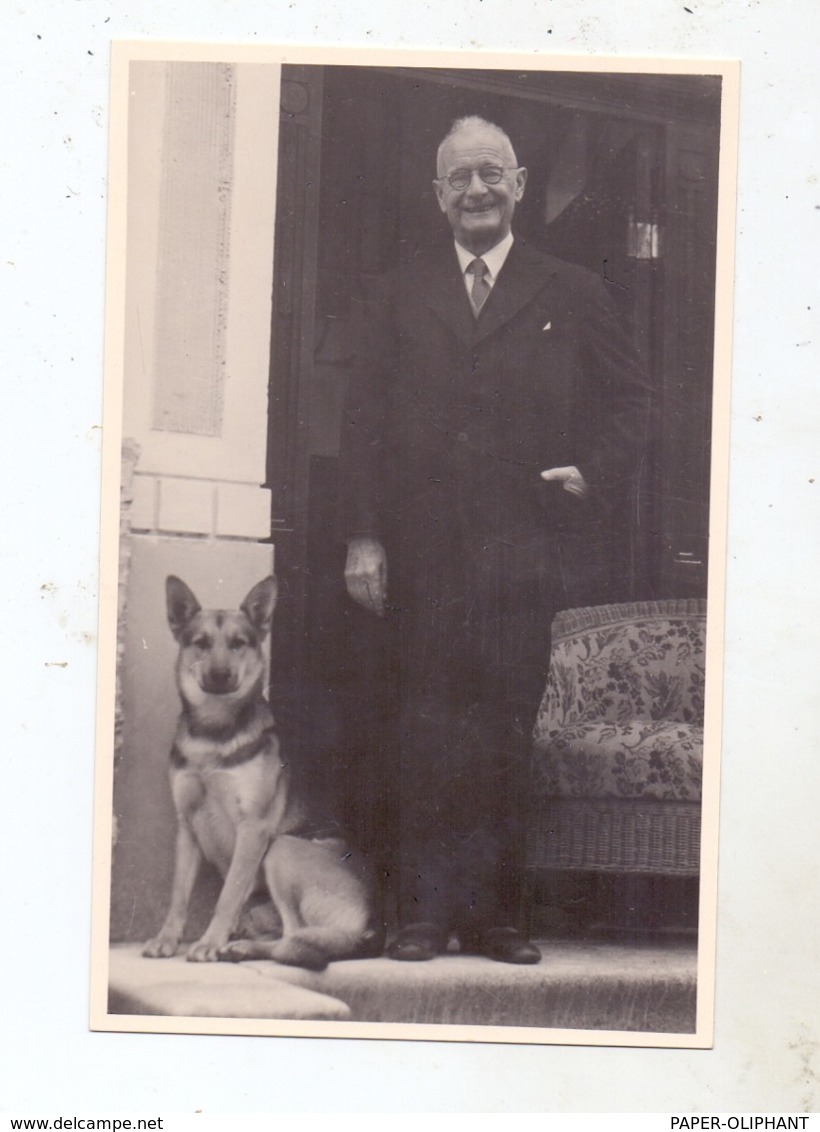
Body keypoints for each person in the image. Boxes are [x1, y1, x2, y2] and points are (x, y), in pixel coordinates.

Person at [340, 115, 649, 963]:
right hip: (423, 555)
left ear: (516, 185)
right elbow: (360, 422)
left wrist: (590, 472)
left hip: (525, 551)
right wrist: (365, 538)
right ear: (436, 196)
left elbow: (632, 403)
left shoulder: (574, 290)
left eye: (490, 175)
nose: (475, 191)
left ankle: (497, 917)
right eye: (458, 179)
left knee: (504, 730)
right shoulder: (395, 292)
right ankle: (420, 916)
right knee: (424, 728)